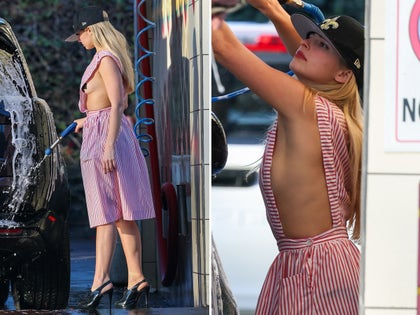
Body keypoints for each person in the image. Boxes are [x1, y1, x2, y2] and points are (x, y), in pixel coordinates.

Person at [212, 0, 364, 314]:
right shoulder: (327, 107)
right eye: (310, 38)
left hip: (317, 272)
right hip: (315, 266)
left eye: (321, 45)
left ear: (344, 75)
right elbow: (319, 63)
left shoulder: (308, 107)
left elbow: (222, 44)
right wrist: (272, 10)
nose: (307, 44)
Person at [65, 6, 155, 310]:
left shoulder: (105, 59)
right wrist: (86, 121)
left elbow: (118, 105)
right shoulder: (101, 59)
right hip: (99, 135)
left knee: (118, 214)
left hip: (108, 142)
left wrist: (108, 147)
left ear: (92, 30)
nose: (78, 39)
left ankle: (129, 279)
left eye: (80, 33)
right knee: (109, 216)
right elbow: (103, 106)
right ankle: (110, 281)